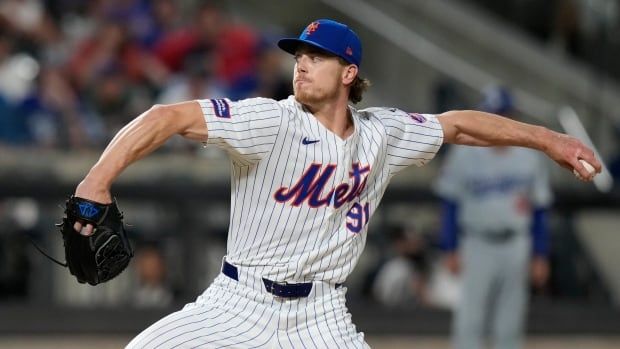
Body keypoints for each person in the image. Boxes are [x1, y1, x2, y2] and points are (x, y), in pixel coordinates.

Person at [69, 19, 600, 348]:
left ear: (349, 73)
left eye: (316, 57)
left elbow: (459, 123)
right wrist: (96, 182)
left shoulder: (384, 134)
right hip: (236, 303)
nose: (302, 66)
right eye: (298, 57)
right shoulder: (270, 121)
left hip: (320, 315)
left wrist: (550, 140)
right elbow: (166, 115)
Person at [434, 86, 553, 349]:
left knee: (510, 322)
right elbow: (450, 202)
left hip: (516, 243)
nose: (498, 120)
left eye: (503, 115)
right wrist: (450, 247)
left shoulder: (530, 156)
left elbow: (540, 209)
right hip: (477, 243)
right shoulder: (463, 153)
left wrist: (540, 253)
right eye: (494, 115)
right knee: (470, 320)